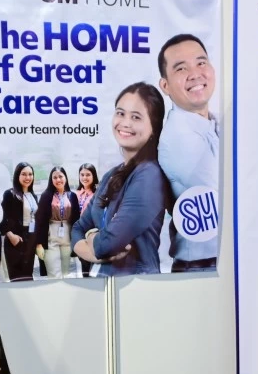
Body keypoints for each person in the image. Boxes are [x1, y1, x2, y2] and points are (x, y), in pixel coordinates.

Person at [72, 84, 172, 276]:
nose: (125, 123)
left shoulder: (150, 176)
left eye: (136, 117)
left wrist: (92, 238)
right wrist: (93, 250)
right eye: (120, 113)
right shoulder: (112, 175)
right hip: (105, 282)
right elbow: (78, 227)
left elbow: (107, 245)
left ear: (153, 126)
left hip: (137, 288)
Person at [156, 34, 219, 272]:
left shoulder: (211, 123)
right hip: (203, 266)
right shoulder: (179, 137)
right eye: (181, 68)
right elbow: (230, 201)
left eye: (201, 63)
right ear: (165, 85)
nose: (195, 73)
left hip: (218, 261)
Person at [35, 166, 81, 279]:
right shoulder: (46, 196)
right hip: (51, 238)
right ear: (51, 180)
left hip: (67, 238)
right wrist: (39, 243)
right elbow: (40, 221)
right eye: (54, 177)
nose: (58, 179)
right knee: (54, 274)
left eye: (60, 176)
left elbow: (76, 219)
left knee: (65, 273)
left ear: (65, 178)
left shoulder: (72, 196)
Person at [0, 162, 38, 282]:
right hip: (15, 240)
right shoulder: (10, 194)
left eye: (30, 174)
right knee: (17, 279)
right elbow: (2, 218)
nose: (28, 177)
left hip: (30, 239)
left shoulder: (33, 195)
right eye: (24, 174)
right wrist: (11, 236)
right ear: (17, 175)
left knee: (28, 276)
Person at [75, 163, 99, 277]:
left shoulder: (98, 193)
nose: (84, 178)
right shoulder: (76, 194)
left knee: (89, 262)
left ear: (93, 176)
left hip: (92, 232)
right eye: (82, 175)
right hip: (79, 232)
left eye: (88, 175)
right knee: (83, 262)